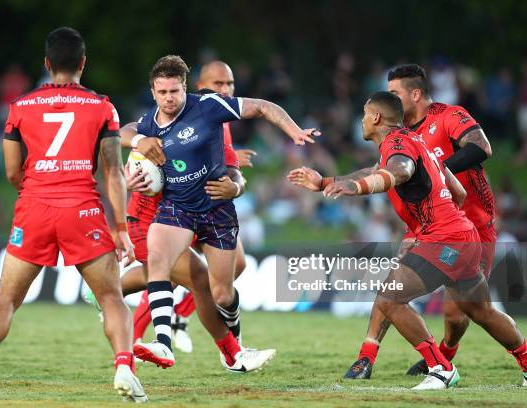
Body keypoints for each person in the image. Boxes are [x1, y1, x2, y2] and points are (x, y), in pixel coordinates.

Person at [0, 27, 147, 402]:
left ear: (47, 64)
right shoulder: (103, 107)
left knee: (5, 300)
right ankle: (123, 368)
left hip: (33, 207)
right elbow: (113, 171)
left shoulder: (19, 106)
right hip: (82, 210)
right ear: (83, 63)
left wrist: (37, 191)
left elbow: (11, 172)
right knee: (112, 297)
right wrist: (120, 228)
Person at [288, 91, 527, 389]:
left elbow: (400, 172)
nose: (361, 121)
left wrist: (357, 187)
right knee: (482, 311)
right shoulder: (417, 143)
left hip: (445, 238)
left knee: (390, 297)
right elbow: (458, 193)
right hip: (462, 234)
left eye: (364, 115)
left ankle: (440, 368)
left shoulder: (397, 145)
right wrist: (325, 182)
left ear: (375, 117)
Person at [123, 54, 318, 370]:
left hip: (216, 211)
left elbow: (264, 107)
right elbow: (124, 131)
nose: (169, 99)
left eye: (174, 91)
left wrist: (293, 131)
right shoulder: (149, 124)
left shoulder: (209, 107)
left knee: (223, 293)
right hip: (178, 209)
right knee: (158, 259)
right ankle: (162, 342)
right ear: (153, 92)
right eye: (162, 93)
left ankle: (235, 346)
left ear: (186, 88)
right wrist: (140, 141)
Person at [343, 64, 497, 379]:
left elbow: (481, 147)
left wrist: (432, 166)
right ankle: (366, 356)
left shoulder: (449, 115)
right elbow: (378, 171)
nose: (389, 97)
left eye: (395, 92)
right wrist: (333, 181)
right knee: (391, 288)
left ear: (415, 94)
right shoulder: (399, 133)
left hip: (472, 227)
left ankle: (443, 356)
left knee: (459, 313)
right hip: (426, 227)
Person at [116, 60, 253, 352]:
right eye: (219, 85)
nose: (226, 90)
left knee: (230, 268)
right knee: (173, 272)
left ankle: (122, 301)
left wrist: (236, 185)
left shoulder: (217, 118)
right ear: (200, 89)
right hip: (154, 211)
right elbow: (126, 138)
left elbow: (230, 167)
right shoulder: (162, 117)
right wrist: (130, 175)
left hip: (201, 208)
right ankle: (133, 322)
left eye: (230, 84)